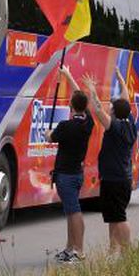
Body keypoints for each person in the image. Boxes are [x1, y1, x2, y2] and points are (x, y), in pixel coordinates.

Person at [79, 69, 137, 254]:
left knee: (119, 217)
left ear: (114, 113)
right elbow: (125, 100)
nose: (109, 108)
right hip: (121, 178)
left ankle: (128, 252)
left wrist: (91, 90)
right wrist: (121, 80)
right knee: (112, 216)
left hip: (115, 179)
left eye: (111, 107)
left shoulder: (116, 127)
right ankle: (113, 249)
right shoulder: (130, 122)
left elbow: (97, 109)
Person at [52, 67, 94, 263]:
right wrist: (69, 76)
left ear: (70, 105)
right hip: (77, 173)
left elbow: (50, 137)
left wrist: (47, 134)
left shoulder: (65, 126)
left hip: (65, 175)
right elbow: (81, 100)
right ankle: (70, 248)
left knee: (74, 212)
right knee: (71, 211)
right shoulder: (87, 124)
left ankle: (78, 249)